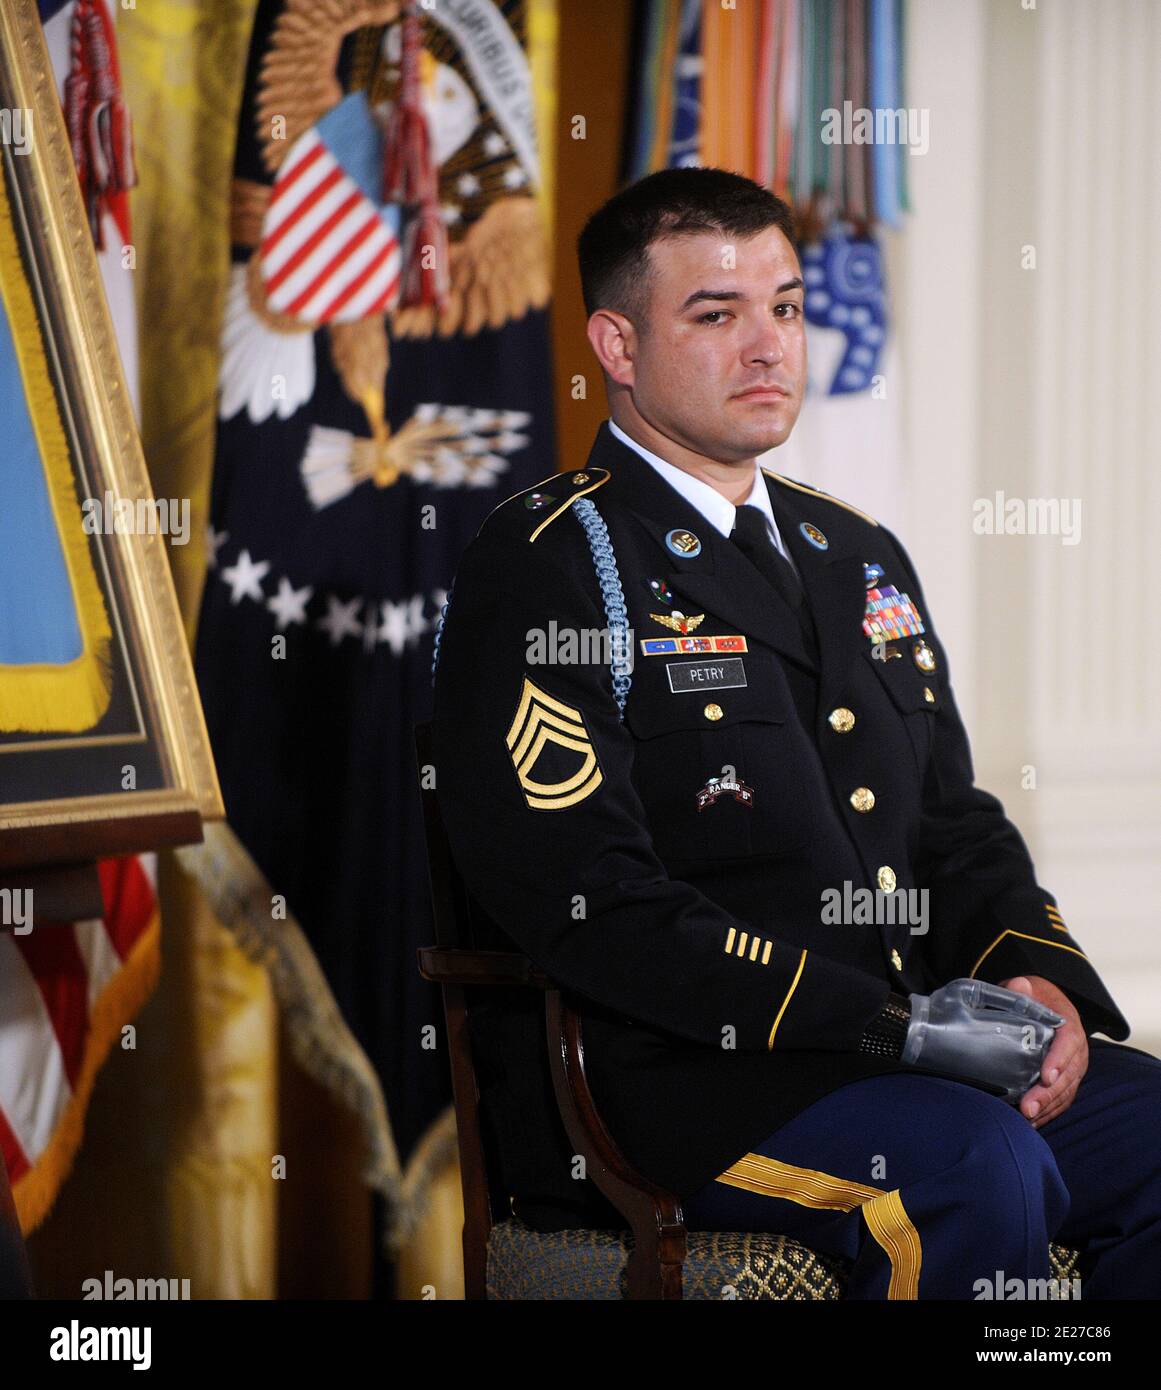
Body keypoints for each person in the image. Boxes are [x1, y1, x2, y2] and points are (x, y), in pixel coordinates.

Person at [430, 167, 1161, 1298]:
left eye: (785, 307)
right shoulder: (551, 564)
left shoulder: (856, 552)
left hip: (911, 1056)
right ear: (617, 347)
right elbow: (592, 898)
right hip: (686, 1084)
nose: (769, 347)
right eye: (717, 315)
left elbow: (953, 825)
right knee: (975, 1171)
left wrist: (1034, 978)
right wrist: (891, 1028)